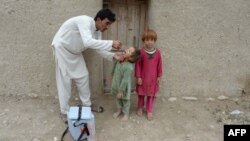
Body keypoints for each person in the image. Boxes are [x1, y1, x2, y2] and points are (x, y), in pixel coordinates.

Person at [51, 8, 124, 122]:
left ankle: (87, 105)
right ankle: (64, 111)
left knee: (83, 76)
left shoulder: (98, 32)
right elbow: (87, 42)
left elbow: (99, 48)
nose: (107, 27)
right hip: (62, 50)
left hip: (75, 53)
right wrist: (111, 43)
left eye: (109, 24)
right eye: (107, 23)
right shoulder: (85, 21)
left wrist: (114, 56)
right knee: (64, 82)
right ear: (99, 19)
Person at [135, 29, 162, 121]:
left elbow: (159, 65)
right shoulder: (141, 52)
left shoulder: (157, 52)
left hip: (153, 79)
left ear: (154, 40)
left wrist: (159, 76)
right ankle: (140, 107)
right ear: (143, 40)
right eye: (147, 40)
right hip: (143, 78)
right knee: (141, 94)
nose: (149, 42)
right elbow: (138, 65)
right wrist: (138, 76)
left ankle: (149, 110)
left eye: (152, 40)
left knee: (151, 95)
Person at [111, 46, 140, 122]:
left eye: (129, 51)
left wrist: (121, 90)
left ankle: (126, 113)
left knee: (125, 100)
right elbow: (114, 66)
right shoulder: (120, 59)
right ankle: (119, 110)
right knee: (117, 99)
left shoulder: (128, 67)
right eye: (128, 49)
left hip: (124, 87)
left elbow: (125, 80)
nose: (126, 50)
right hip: (117, 82)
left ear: (131, 58)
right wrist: (112, 74)